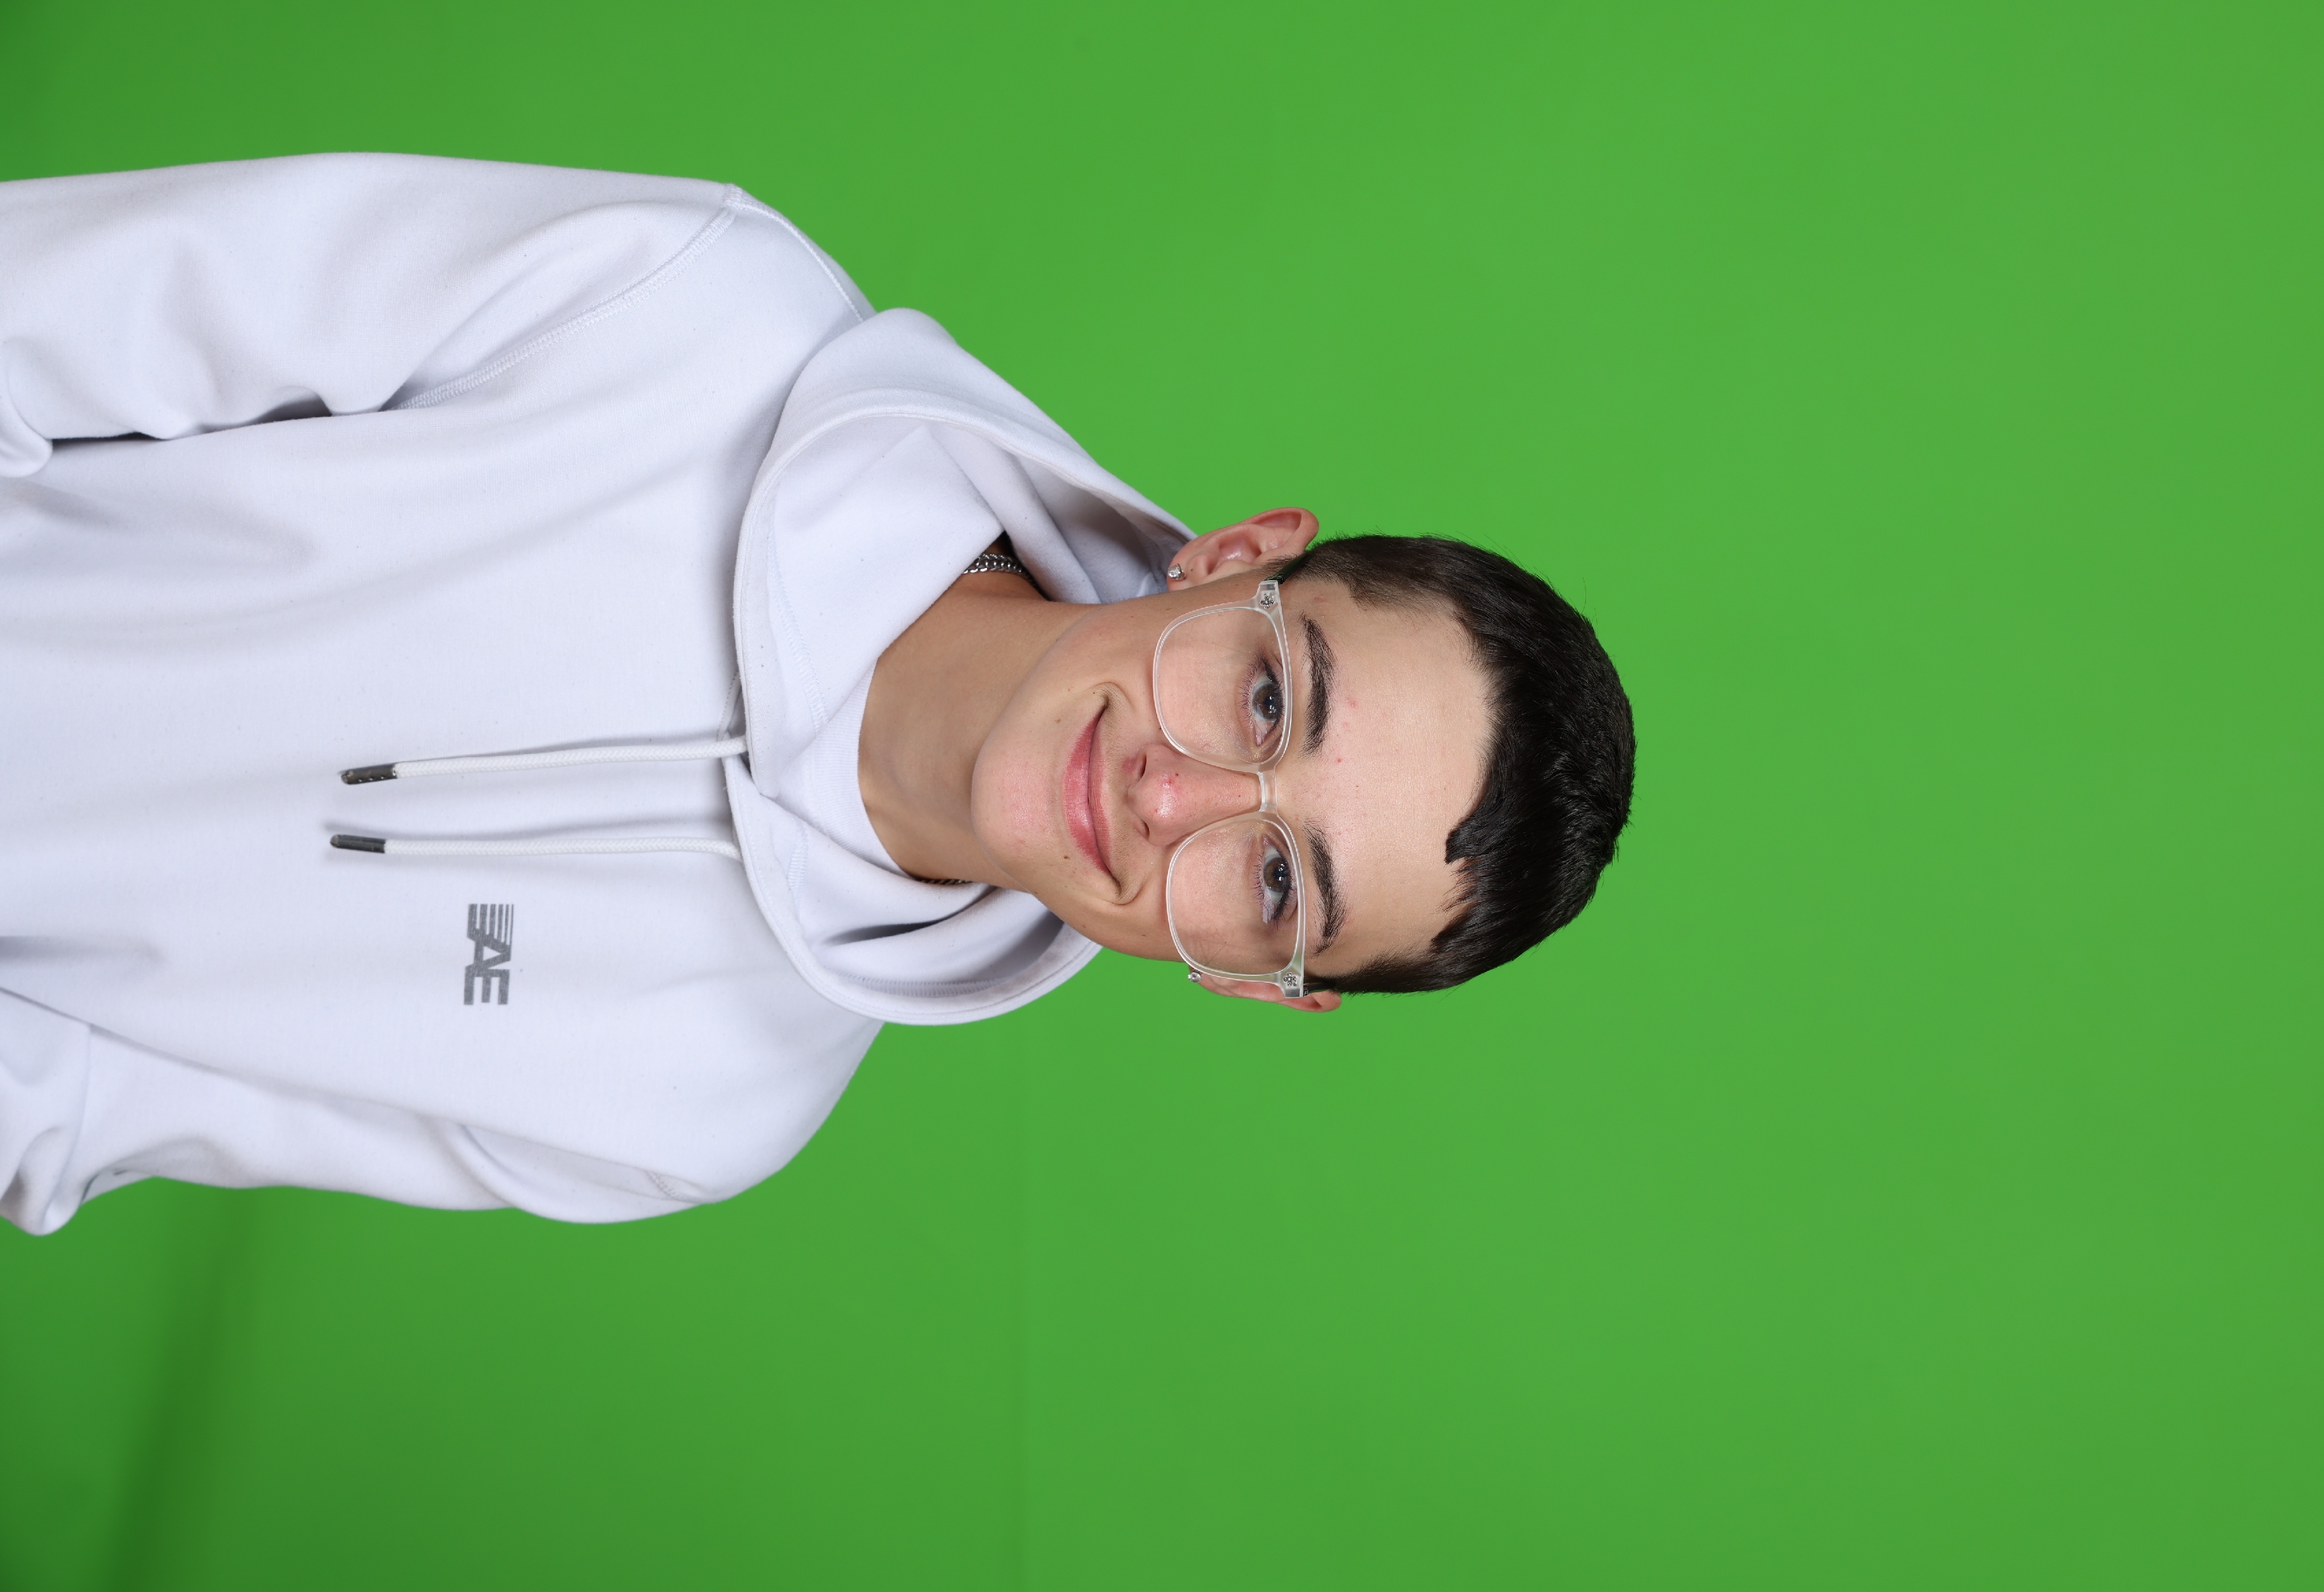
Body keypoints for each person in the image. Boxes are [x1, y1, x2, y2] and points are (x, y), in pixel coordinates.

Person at [0, 154, 1633, 1235]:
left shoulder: (702, 1110)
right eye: (1269, 701)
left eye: (1276, 881)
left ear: (1262, 989)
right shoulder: (691, 314)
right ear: (1233, 559)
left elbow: (69, 1117)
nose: (1173, 796)